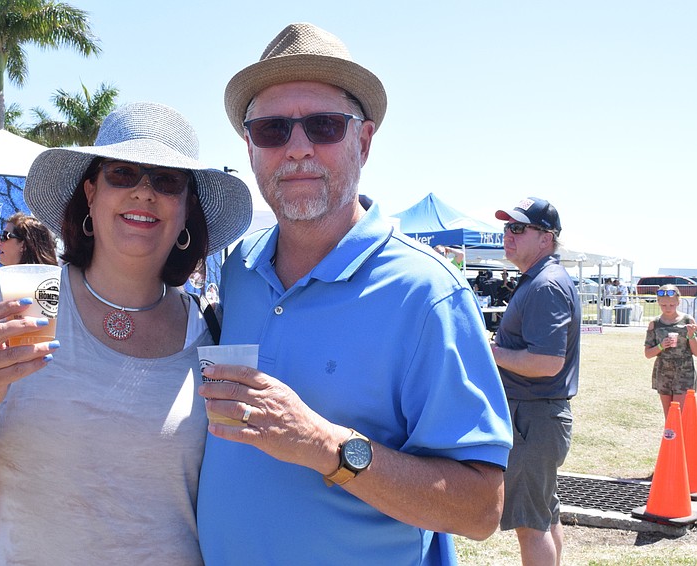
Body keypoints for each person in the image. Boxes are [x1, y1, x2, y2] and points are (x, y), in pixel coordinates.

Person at [197, 23, 513, 564]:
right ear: (249, 146)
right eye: (272, 130)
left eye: (322, 126)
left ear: (363, 141)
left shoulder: (427, 293)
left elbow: (481, 509)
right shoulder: (240, 269)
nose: (297, 149)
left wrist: (325, 446)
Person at [0, 102, 252, 564]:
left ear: (187, 211)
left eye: (167, 181)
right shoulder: (13, 301)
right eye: (123, 174)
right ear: (91, 192)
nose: (144, 193)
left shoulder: (211, 334)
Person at [489, 197, 580, 566]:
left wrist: (490, 352)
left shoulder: (544, 285)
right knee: (544, 514)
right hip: (537, 417)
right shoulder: (541, 280)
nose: (507, 236)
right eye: (506, 228)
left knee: (531, 524)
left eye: (517, 228)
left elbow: (546, 362)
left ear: (546, 238)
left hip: (533, 418)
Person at [643, 284, 697, 418]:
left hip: (684, 371)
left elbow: (696, 352)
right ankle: (670, 439)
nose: (668, 308)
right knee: (669, 415)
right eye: (664, 305)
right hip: (663, 371)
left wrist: (691, 335)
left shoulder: (688, 320)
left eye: (672, 305)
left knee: (679, 413)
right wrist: (661, 346)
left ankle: (682, 439)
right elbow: (648, 354)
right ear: (658, 303)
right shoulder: (654, 323)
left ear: (678, 302)